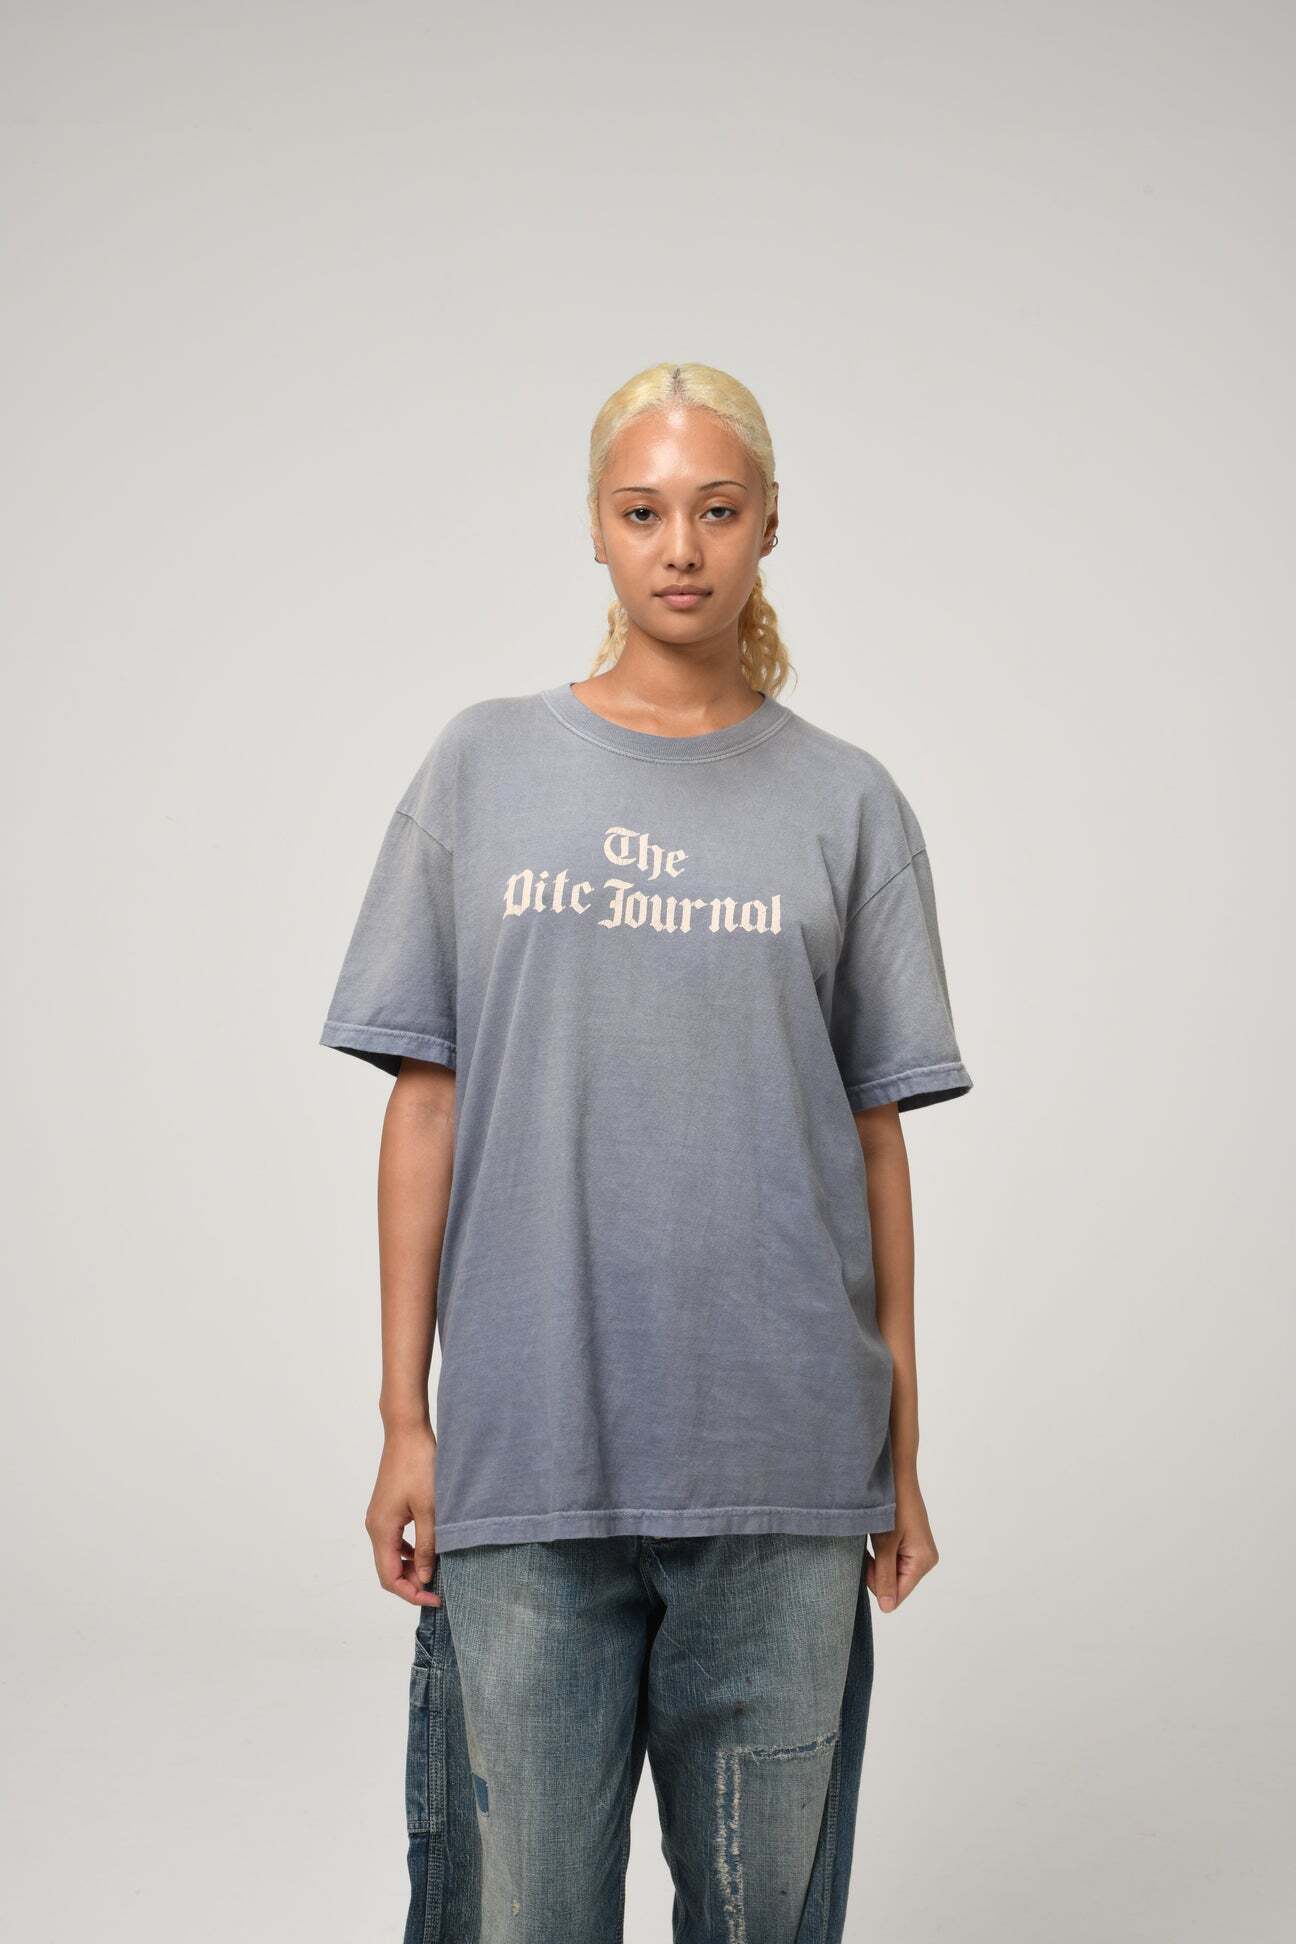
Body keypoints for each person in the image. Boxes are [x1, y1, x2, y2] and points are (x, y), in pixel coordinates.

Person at [318, 361, 975, 1943]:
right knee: (526, 1916)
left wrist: (899, 1451)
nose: (681, 546)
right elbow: (426, 1105)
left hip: (784, 1460)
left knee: (763, 1921)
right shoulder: (481, 768)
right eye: (644, 511)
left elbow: (875, 1141)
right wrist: (404, 1418)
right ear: (598, 531)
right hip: (530, 1451)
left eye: (717, 510)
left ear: (768, 527)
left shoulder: (849, 804)